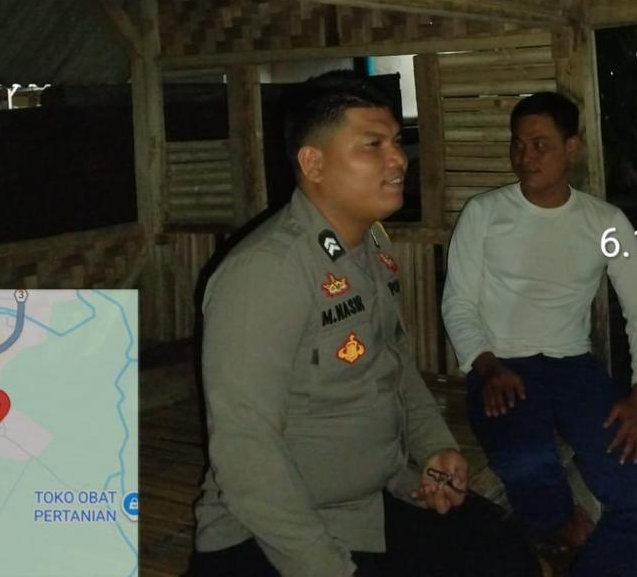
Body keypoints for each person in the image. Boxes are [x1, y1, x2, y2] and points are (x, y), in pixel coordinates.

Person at [190, 72, 539, 577]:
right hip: (273, 533)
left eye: (396, 142)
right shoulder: (265, 273)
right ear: (313, 163)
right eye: (372, 145)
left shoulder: (372, 244)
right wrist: (326, 569)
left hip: (373, 502)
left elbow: (393, 362)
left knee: (504, 554)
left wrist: (434, 445)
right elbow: (244, 451)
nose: (398, 158)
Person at [441, 91, 637, 577]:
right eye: (517, 144)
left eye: (540, 145)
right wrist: (487, 368)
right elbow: (458, 303)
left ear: (572, 148)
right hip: (501, 368)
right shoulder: (485, 213)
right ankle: (561, 529)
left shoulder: (605, 223)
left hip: (574, 369)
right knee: (530, 468)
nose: (525, 157)